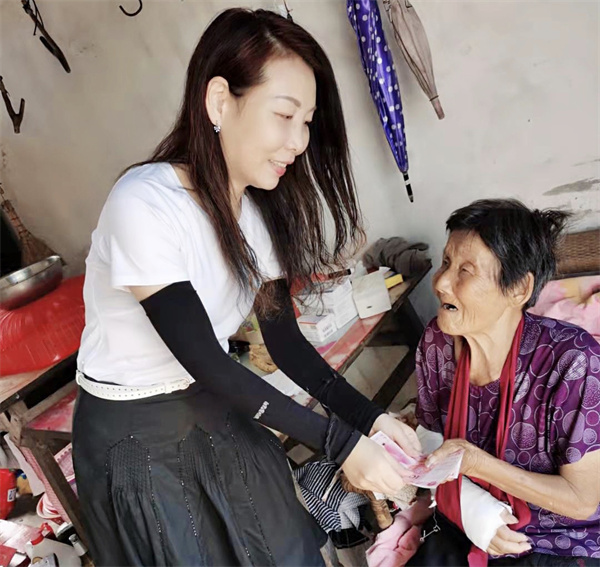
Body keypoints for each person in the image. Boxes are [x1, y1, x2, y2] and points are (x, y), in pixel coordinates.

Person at [72, 8, 420, 566]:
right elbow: (207, 359)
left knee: (282, 548)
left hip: (212, 402)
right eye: (284, 114)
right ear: (219, 102)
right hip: (135, 433)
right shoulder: (144, 204)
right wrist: (340, 444)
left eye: (307, 121)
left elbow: (286, 345)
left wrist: (368, 419)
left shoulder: (256, 215)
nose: (298, 141)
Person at [410, 199, 600, 566]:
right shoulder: (437, 342)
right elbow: (430, 438)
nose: (441, 282)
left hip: (557, 541)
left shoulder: (573, 362)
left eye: (465, 271)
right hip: (466, 517)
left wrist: (477, 464)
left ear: (518, 288)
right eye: (446, 263)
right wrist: (476, 513)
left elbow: (581, 500)